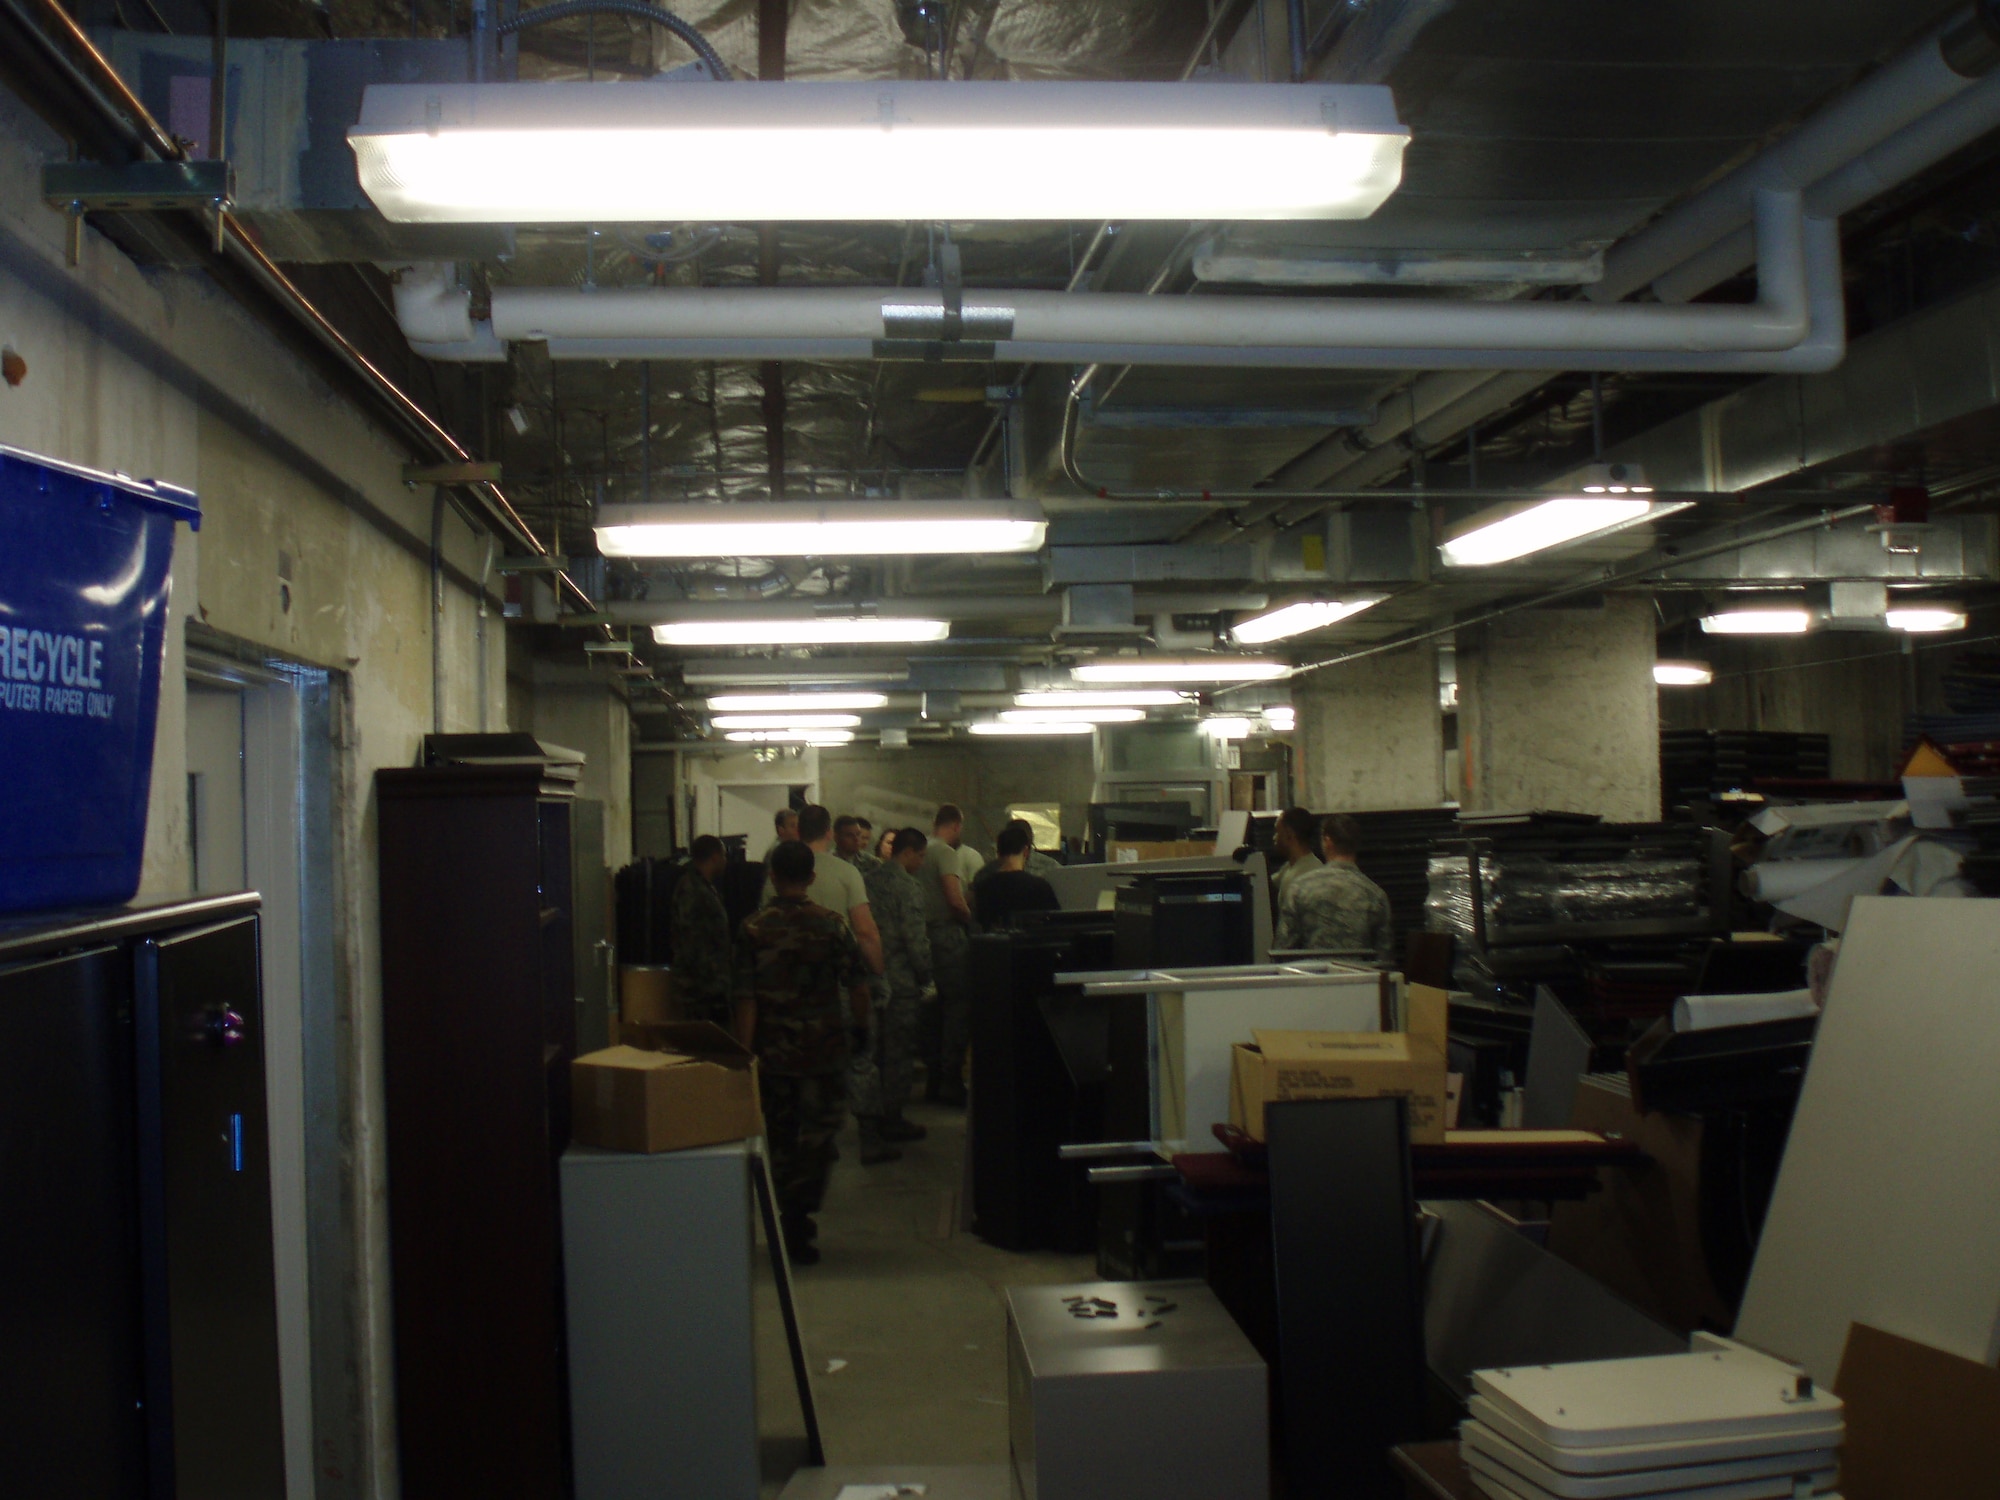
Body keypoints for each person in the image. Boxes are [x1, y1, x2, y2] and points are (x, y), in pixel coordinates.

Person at [733, 841, 871, 1264]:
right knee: (820, 1137)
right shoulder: (831, 925)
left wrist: (744, 1055)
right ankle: (800, 1213)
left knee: (779, 1138)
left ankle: (786, 1213)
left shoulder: (753, 929)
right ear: (812, 877)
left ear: (772, 876)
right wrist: (862, 1029)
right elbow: (858, 985)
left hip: (774, 1056)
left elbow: (746, 999)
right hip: (823, 1053)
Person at [854, 827, 933, 1156]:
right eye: (921, 855)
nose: (922, 862)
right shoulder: (908, 887)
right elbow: (915, 941)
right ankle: (893, 1118)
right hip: (900, 984)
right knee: (898, 1054)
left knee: (872, 1054)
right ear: (910, 852)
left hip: (871, 980)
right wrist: (926, 975)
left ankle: (870, 1120)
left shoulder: (868, 881)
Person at [762, 805, 886, 977]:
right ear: (829, 833)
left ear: (799, 830)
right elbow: (865, 932)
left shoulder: (779, 873)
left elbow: (764, 924)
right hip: (833, 974)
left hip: (787, 975)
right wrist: (878, 972)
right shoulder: (847, 872)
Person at [1274, 813, 1395, 964]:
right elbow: (1385, 960)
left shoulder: (1299, 888)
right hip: (1360, 983)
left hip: (1311, 982)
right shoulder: (1375, 895)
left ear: (1327, 841)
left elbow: (1283, 951)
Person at [916, 802, 974, 1105]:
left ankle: (933, 1077)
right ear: (955, 825)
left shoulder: (918, 851)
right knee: (957, 1007)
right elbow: (954, 900)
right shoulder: (946, 853)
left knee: (930, 1011)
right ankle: (951, 1079)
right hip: (946, 939)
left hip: (919, 939)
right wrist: (972, 922)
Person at [668, 834, 732, 1026]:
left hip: (711, 986)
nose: (725, 860)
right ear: (714, 857)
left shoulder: (705, 887)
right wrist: (711, 983)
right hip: (699, 992)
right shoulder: (692, 890)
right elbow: (692, 943)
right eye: (723, 855)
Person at [975, 820, 1062, 931]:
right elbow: (1056, 920)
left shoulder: (983, 883)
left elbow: (981, 923)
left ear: (998, 850)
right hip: (1035, 944)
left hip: (998, 946)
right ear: (1026, 850)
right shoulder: (1042, 885)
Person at [1269, 806, 1324, 916]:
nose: (1274, 838)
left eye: (1277, 832)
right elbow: (1266, 884)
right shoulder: (1290, 867)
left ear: (1289, 834)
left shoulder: (1306, 873)